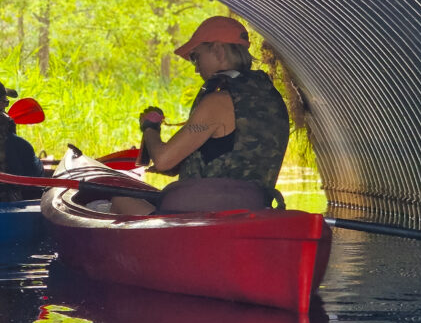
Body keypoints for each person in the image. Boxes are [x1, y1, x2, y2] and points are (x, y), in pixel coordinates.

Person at [113, 16, 290, 215]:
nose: (196, 68)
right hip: (252, 211)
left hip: (204, 216)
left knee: (120, 200)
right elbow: (229, 154)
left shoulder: (217, 102)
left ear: (218, 50)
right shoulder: (271, 98)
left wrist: (150, 127)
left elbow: (163, 160)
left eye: (196, 57)